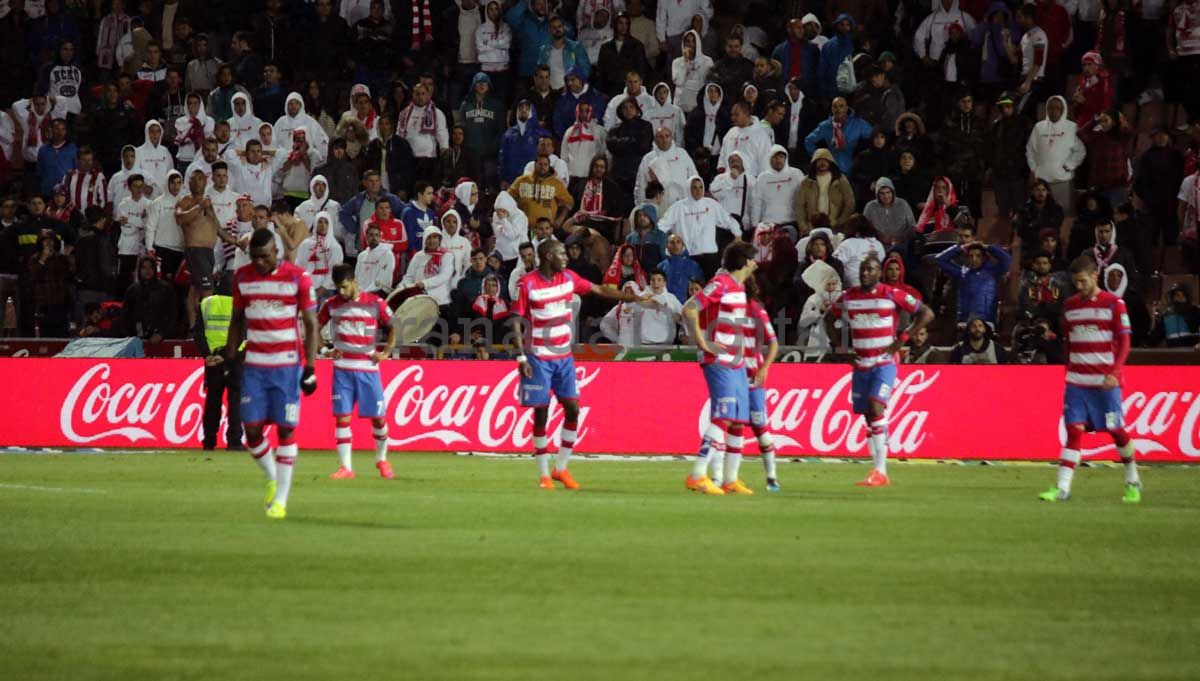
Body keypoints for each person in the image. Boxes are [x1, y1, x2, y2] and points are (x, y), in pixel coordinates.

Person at [510, 239, 648, 489]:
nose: (566, 257)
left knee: (572, 408)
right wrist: (521, 356)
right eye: (561, 253)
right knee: (541, 412)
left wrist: (629, 296)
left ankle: (560, 469)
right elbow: (517, 321)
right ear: (548, 256)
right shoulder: (528, 284)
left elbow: (600, 290)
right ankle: (543, 475)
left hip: (563, 356)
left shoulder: (569, 278)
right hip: (538, 356)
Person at [224, 229, 320, 520]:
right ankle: (272, 477)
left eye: (265, 257)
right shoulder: (242, 277)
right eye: (255, 258)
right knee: (250, 429)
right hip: (254, 364)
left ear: (276, 252)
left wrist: (311, 367)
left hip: (287, 366)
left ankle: (280, 500)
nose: (260, 262)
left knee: (285, 429)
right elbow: (237, 320)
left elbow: (312, 324)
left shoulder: (298, 278)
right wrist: (230, 355)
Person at [1040, 255, 1141, 503]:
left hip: (1105, 381)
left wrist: (1116, 372)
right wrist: (1067, 370)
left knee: (1116, 430)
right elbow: (1069, 341)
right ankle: (1062, 487)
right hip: (1077, 381)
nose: (1079, 286)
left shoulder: (1114, 304)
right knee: (1074, 430)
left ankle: (1132, 479)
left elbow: (1125, 341)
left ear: (1095, 275)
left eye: (1083, 281)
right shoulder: (1071, 305)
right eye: (1076, 282)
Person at [828, 256, 934, 486]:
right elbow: (828, 319)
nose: (865, 273)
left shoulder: (890, 293)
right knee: (869, 416)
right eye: (863, 269)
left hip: (884, 361)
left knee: (876, 407)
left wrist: (903, 338)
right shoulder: (848, 296)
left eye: (871, 269)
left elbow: (926, 313)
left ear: (879, 273)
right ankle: (877, 471)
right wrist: (840, 348)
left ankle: (881, 470)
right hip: (861, 364)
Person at [682, 241, 758, 496]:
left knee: (737, 421)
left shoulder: (739, 288)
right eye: (754, 259)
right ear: (746, 261)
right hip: (719, 361)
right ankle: (697, 474)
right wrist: (703, 342)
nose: (756, 263)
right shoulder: (721, 283)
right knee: (724, 415)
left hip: (736, 362)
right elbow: (690, 308)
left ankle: (730, 479)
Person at [318, 263, 396, 480]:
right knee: (342, 418)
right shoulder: (331, 304)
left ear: (354, 281)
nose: (341, 292)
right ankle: (346, 468)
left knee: (378, 420)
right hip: (342, 370)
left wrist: (386, 352)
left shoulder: (375, 303)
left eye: (344, 287)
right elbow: (313, 327)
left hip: (367, 370)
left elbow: (392, 327)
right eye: (337, 288)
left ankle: (381, 459)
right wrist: (325, 350)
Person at [658, 176, 741, 278]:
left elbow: (728, 220)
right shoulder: (678, 207)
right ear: (688, 188)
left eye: (701, 187)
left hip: (709, 256)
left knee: (710, 287)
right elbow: (662, 226)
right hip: (688, 257)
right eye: (694, 187)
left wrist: (737, 234)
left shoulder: (711, 204)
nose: (698, 191)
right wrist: (670, 243)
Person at [741, 276, 780, 492]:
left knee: (760, 428)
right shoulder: (726, 310)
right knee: (729, 425)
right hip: (732, 378)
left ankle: (772, 476)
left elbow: (774, 343)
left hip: (752, 378)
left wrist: (765, 367)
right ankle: (725, 477)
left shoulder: (756, 310)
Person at [195, 291, 243, 451]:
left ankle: (208, 441)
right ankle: (234, 441)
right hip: (234, 359)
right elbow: (243, 336)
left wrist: (208, 355)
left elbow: (198, 333)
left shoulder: (206, 303)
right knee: (235, 402)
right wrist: (225, 355)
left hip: (212, 359)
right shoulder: (241, 303)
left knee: (212, 401)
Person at [1026, 96, 1086, 215]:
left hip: (1063, 181)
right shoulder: (1038, 127)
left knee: (1063, 214)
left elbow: (1080, 151)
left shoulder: (1071, 127)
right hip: (1041, 182)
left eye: (1057, 108)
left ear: (1063, 110)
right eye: (1051, 108)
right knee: (1041, 215)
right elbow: (1030, 150)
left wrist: (1068, 166)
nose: (1054, 111)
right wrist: (1033, 169)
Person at [936, 240, 1013, 327]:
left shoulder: (992, 271)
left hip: (987, 320)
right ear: (966, 258)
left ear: (984, 257)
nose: (974, 259)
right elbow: (940, 259)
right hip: (965, 321)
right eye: (970, 256)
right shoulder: (962, 273)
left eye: (978, 256)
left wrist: (987, 247)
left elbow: (1007, 260)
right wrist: (962, 248)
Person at [805, 97, 873, 175]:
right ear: (832, 109)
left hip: (853, 170)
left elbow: (873, 137)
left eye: (841, 106)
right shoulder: (825, 126)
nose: (838, 109)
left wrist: (863, 159)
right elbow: (809, 141)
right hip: (831, 170)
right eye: (835, 106)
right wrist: (819, 158)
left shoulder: (858, 123)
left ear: (846, 108)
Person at [120, 255, 176, 342]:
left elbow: (172, 314)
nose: (147, 271)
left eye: (150, 267)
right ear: (139, 270)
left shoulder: (165, 288)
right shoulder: (132, 290)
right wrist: (130, 336)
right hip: (136, 339)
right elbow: (125, 316)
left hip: (161, 339)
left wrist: (161, 333)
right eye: (144, 267)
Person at [295, 212, 344, 304]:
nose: (323, 225)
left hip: (326, 290)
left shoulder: (334, 246)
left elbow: (334, 271)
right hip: (307, 288)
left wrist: (320, 291)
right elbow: (299, 265)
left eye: (326, 222)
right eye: (320, 222)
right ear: (315, 223)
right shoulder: (306, 243)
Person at [355, 224, 396, 296]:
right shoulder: (362, 255)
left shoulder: (387, 255)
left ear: (380, 237)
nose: (374, 238)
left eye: (377, 235)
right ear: (366, 237)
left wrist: (365, 292)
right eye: (371, 235)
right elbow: (357, 276)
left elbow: (382, 281)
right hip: (361, 292)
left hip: (378, 292)